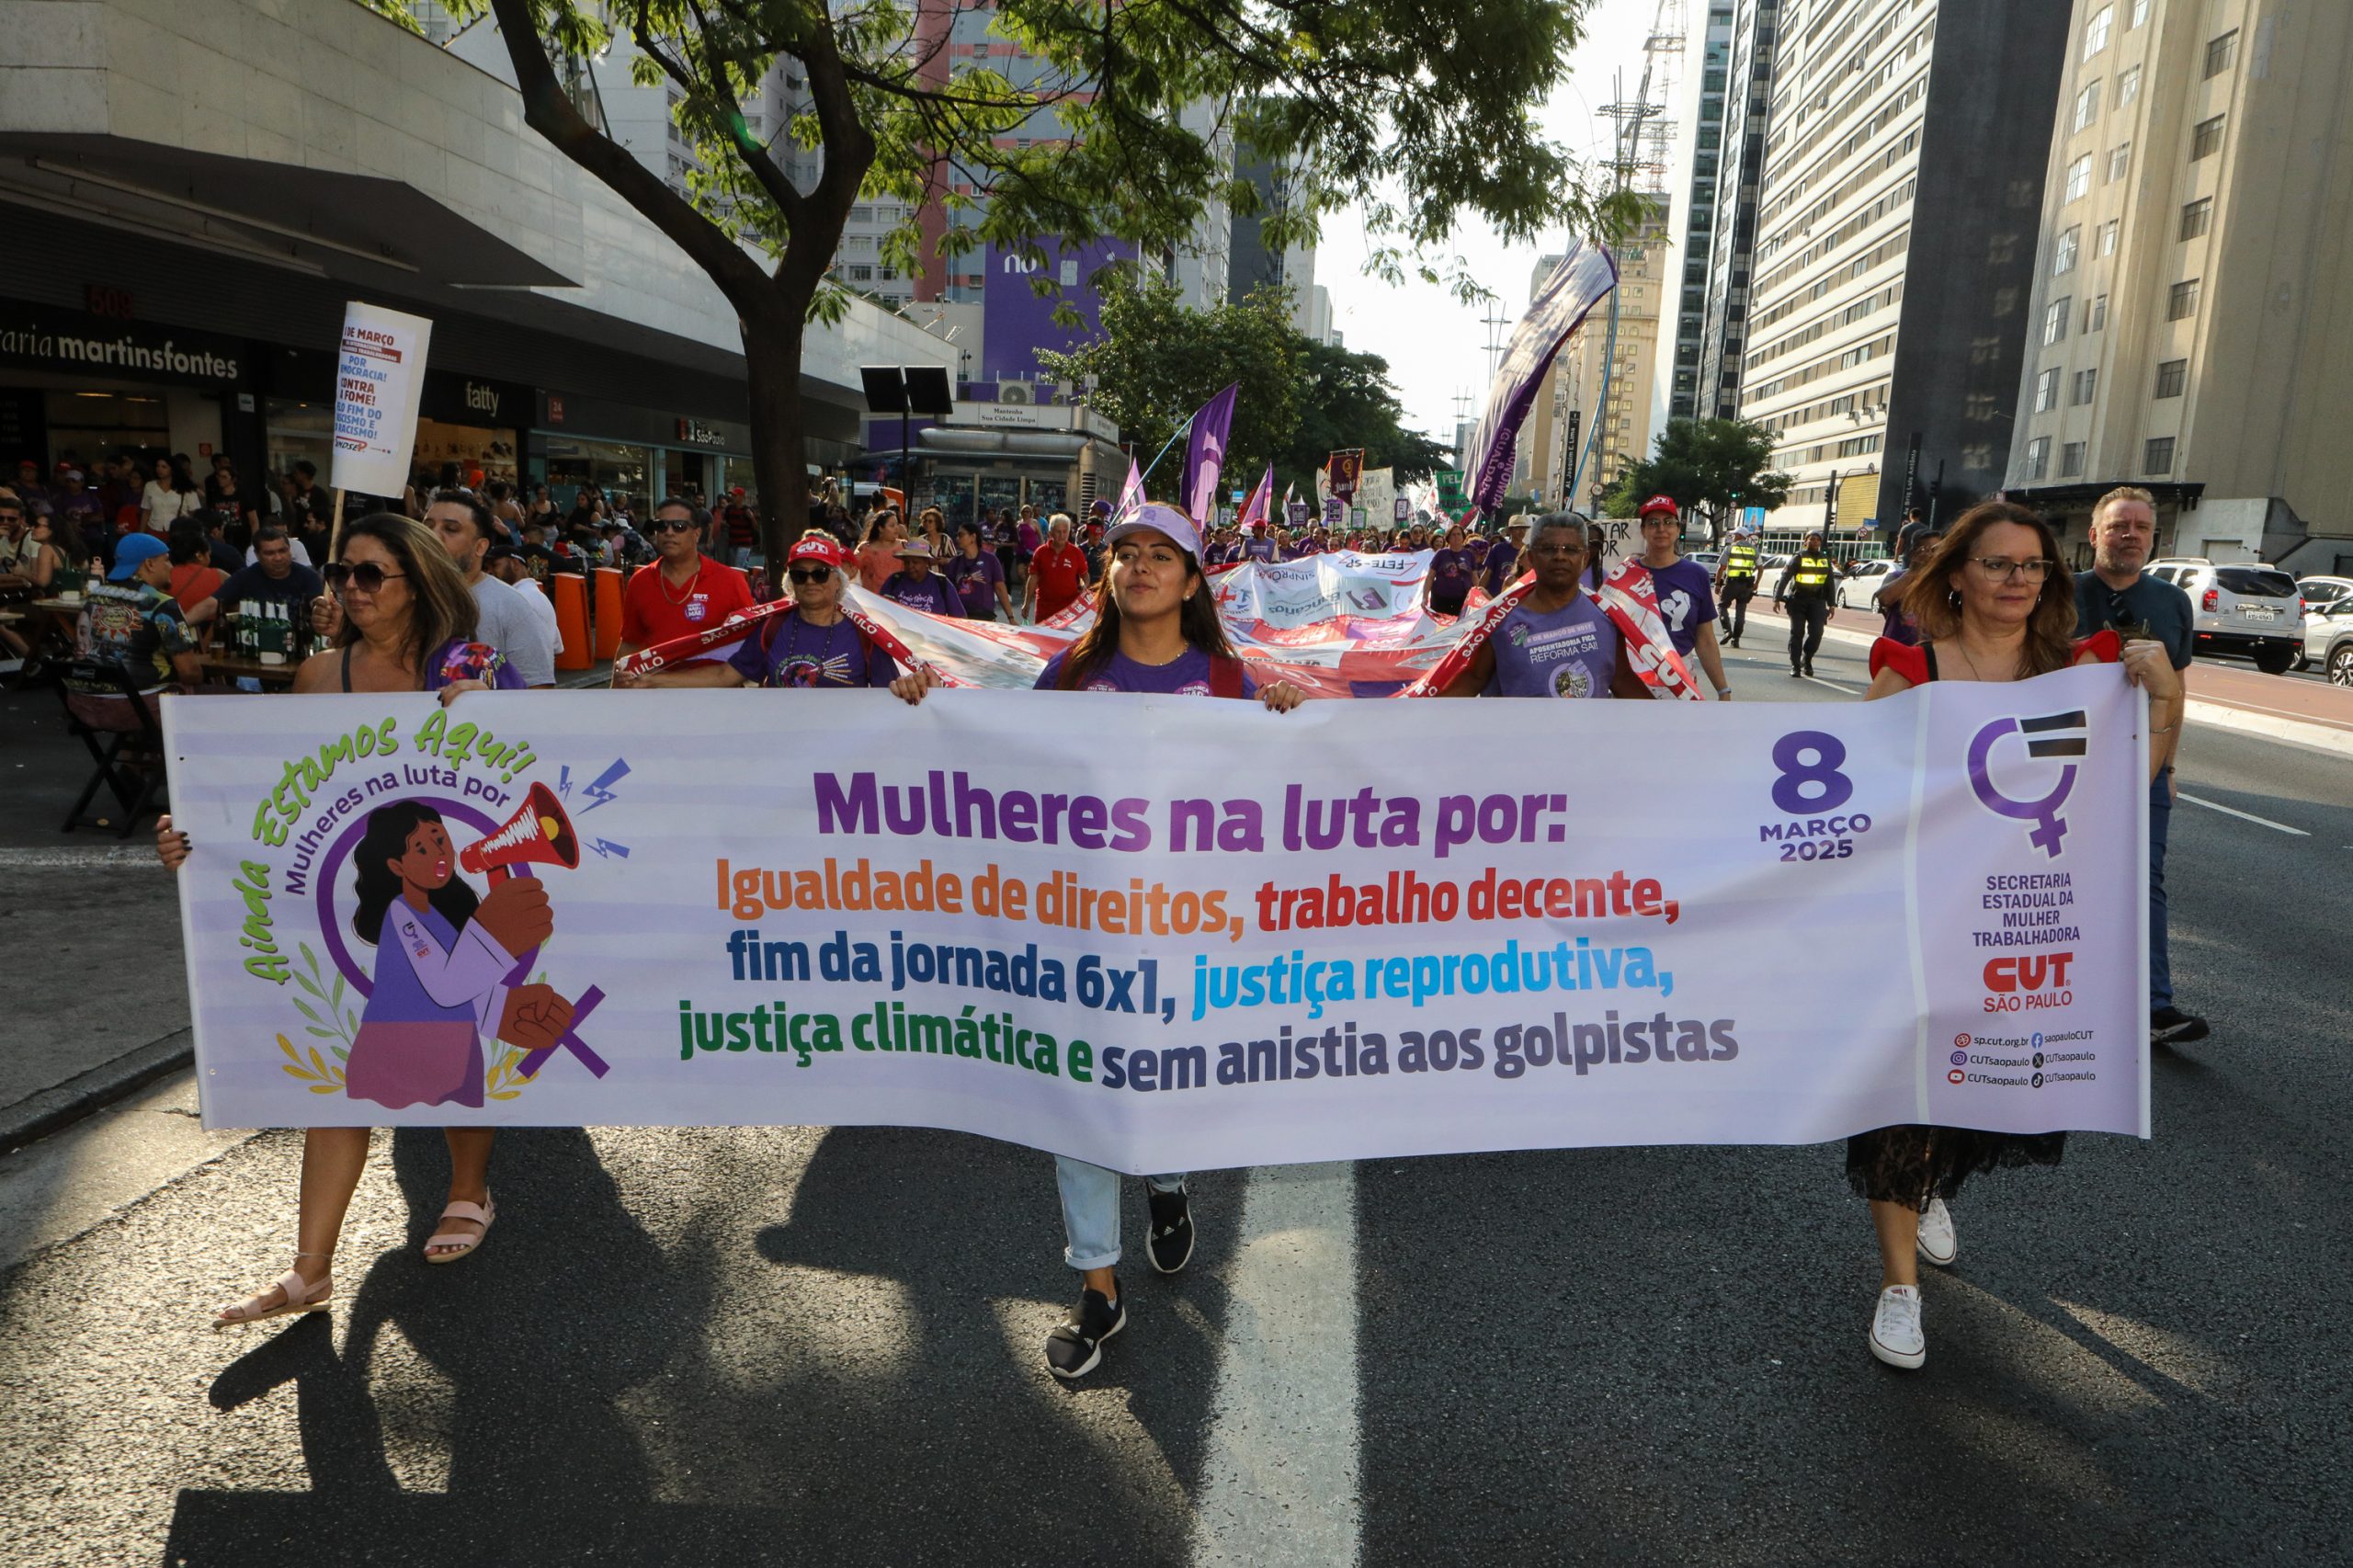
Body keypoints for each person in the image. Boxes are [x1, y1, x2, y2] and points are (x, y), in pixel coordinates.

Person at [159, 512, 539, 1328]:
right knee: (344, 1069)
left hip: (454, 871)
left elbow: (527, 760)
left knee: (456, 1049)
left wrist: (492, 705)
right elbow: (275, 799)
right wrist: (194, 837)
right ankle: (310, 1268)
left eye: (372, 574)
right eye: (342, 572)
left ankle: (469, 1191)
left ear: (420, 582)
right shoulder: (317, 675)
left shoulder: (469, 662)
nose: (351, 589)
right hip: (352, 891)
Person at [1856, 502, 2182, 1369]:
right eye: (1998, 565)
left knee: (1973, 1090)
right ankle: (1898, 1287)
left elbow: (2128, 781)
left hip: (2013, 931)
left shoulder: (2074, 675)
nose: (2016, 581)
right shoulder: (1911, 667)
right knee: (1901, 1098)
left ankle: (1929, 1187)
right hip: (1917, 919)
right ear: (1955, 575)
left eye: (2031, 566)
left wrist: (2169, 696)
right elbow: (1844, 787)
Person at [1019, 502, 1304, 1379]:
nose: (1139, 567)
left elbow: (1283, 799)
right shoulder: (1069, 676)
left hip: (1191, 938)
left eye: (1160, 556)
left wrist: (1291, 721)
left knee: (1164, 1085)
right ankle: (1098, 1287)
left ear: (1191, 580)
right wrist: (923, 711)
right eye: (1125, 554)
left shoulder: (1229, 682)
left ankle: (1170, 1183)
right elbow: (995, 776)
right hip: (1084, 931)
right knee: (1083, 1099)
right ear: (1107, 575)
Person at [2072, 485, 2206, 1048]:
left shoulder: (2172, 602)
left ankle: (2154, 1007)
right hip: (2062, 766)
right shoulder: (2057, 593)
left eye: (2142, 528)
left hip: (2142, 763)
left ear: (2154, 538)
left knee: (2142, 881)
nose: (2130, 534)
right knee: (2055, 880)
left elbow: (2179, 688)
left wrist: (2169, 767)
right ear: (2094, 533)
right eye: (2119, 524)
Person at [620, 535, 931, 698]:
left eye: (820, 574)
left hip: (841, 763)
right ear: (790, 582)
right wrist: (653, 680)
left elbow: (889, 693)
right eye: (800, 574)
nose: (810, 582)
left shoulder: (864, 634)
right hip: (782, 758)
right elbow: (725, 676)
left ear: (838, 580)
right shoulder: (774, 626)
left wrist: (911, 686)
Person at [315, 490, 559, 688]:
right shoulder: (318, 673)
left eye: (451, 529)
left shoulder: (513, 608)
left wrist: (491, 707)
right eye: (427, 525)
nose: (433, 535)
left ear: (480, 546)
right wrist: (344, 630)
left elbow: (536, 707)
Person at [1438, 513, 1650, 699]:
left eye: (1571, 550)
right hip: (1520, 742)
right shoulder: (1500, 620)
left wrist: (1673, 721)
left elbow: (1621, 679)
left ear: (1584, 558)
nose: (1560, 556)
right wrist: (1420, 716)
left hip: (1587, 743)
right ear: (1531, 558)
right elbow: (1474, 679)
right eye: (1549, 549)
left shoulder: (1607, 617)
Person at [65, 530, 200, 729]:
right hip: (134, 708)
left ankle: (136, 755)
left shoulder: (93, 598)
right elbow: (189, 672)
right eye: (167, 560)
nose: (171, 567)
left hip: (82, 704)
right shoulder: (161, 604)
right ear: (149, 564)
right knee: (213, 695)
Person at [614, 497, 754, 674]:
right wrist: (614, 695)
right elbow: (629, 644)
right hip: (656, 692)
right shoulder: (640, 581)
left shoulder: (731, 580)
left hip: (716, 694)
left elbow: (751, 647)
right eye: (661, 526)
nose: (669, 532)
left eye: (679, 526)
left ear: (696, 534)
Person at [1633, 495, 1733, 701]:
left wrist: (1723, 690)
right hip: (1632, 683)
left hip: (1678, 683)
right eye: (1653, 523)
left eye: (1668, 522)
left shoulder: (1696, 575)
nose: (1661, 528)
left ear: (1678, 530)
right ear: (1643, 530)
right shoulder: (1626, 574)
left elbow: (1705, 639)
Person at [186, 526, 324, 633]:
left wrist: (321, 606)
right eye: (270, 553)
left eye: (282, 551)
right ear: (257, 555)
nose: (278, 557)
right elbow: (211, 604)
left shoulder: (308, 576)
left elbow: (317, 601)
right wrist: (181, 624)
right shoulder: (245, 577)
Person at [1773, 528, 1836, 677]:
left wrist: (1832, 604)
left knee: (1817, 633)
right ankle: (1795, 666)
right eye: (1812, 539)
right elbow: (1785, 577)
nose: (1814, 542)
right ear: (1805, 541)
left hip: (1818, 602)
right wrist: (1777, 598)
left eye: (1817, 540)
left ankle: (1806, 659)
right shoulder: (1798, 557)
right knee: (1797, 633)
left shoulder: (1824, 559)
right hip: (1798, 600)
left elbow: (1830, 583)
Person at [1874, 524, 1934, 647]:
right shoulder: (1897, 577)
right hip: (1897, 651)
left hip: (1932, 655)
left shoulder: (1948, 582)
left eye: (1937, 550)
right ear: (1913, 553)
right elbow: (1884, 599)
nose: (1932, 556)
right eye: (1928, 550)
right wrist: (1914, 571)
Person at [1025, 513, 1089, 622]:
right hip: (1044, 609)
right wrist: (1026, 603)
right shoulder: (1040, 552)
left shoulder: (1076, 553)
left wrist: (1084, 588)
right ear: (1050, 533)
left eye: (1065, 531)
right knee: (1042, 639)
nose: (1062, 535)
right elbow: (1033, 578)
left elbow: (1085, 575)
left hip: (1068, 610)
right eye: (1058, 531)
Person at [879, 537, 964, 618]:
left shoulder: (941, 583)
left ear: (926, 562)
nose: (910, 566)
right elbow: (879, 610)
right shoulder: (894, 580)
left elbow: (960, 619)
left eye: (915, 562)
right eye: (907, 562)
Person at [948, 519, 1015, 621]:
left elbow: (1000, 588)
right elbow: (948, 592)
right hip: (960, 619)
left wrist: (1011, 617)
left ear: (973, 537)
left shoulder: (990, 560)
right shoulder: (954, 563)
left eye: (961, 535)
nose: (957, 538)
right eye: (957, 535)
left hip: (985, 618)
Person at [1712, 526, 1761, 648]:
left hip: (1732, 583)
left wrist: (1718, 584)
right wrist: (1756, 583)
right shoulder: (1754, 549)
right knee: (1741, 611)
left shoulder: (1730, 548)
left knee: (1722, 606)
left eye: (1735, 535)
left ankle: (1727, 631)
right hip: (1747, 585)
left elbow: (1721, 567)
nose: (1733, 537)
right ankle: (1736, 639)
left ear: (1740, 536)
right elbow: (1761, 568)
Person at [165, 520, 225, 614]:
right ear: (199, 555)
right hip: (212, 626)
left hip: (177, 625)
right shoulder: (219, 575)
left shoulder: (165, 576)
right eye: (208, 554)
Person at [140, 454, 198, 533]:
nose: (159, 469)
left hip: (179, 531)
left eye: (164, 467)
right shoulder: (149, 486)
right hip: (154, 529)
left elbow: (194, 512)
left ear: (172, 469)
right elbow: (146, 512)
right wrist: (141, 533)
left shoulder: (186, 487)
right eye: (158, 466)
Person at [1427, 523, 1473, 616]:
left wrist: (1477, 596)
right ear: (1448, 538)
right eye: (1453, 534)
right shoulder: (1441, 554)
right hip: (1440, 598)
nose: (1456, 537)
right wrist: (1425, 597)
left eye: (1459, 534)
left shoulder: (1469, 555)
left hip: (1461, 599)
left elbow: (1474, 576)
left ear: (1463, 537)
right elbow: (1430, 577)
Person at [855, 510, 906, 593]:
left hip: (899, 599)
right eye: (892, 526)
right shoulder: (865, 548)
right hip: (871, 600)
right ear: (880, 528)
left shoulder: (904, 546)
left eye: (897, 524)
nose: (897, 528)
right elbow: (853, 571)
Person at [1480, 516, 1528, 597]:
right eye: (1518, 528)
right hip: (1494, 597)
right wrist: (1478, 591)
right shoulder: (1498, 548)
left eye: (1524, 528)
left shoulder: (1528, 551)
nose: (1521, 531)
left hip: (1517, 599)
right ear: (1510, 530)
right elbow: (1487, 572)